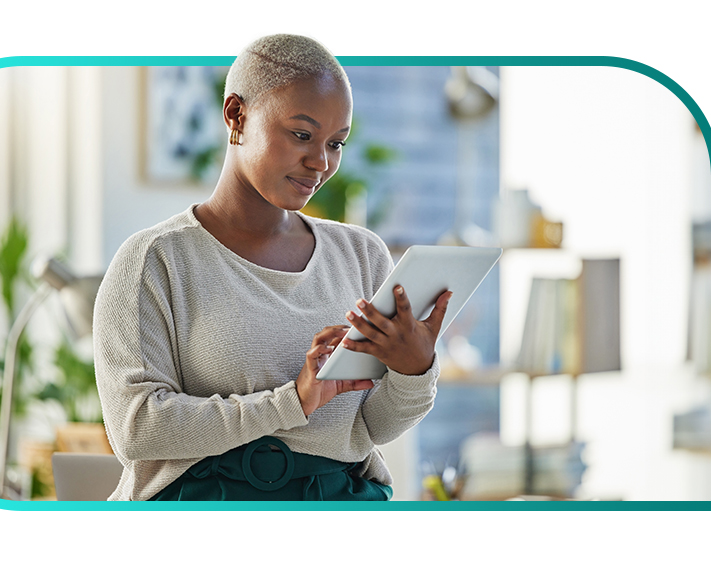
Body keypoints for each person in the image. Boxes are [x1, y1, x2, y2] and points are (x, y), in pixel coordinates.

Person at [93, 34, 453, 501]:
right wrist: (292, 402)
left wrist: (413, 370)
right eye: (301, 135)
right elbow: (137, 428)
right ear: (236, 116)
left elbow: (370, 427)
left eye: (336, 143)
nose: (320, 162)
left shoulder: (361, 255)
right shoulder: (155, 260)